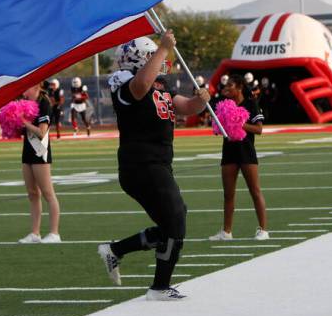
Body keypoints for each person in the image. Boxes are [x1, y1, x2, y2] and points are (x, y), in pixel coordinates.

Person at [97, 31, 210, 301]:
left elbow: (182, 106)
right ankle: (159, 287)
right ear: (136, 59)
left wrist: (200, 101)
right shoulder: (124, 82)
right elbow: (138, 88)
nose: (157, 61)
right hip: (140, 163)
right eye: (149, 56)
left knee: (173, 220)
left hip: (158, 162)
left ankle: (115, 250)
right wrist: (163, 48)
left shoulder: (159, 84)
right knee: (175, 220)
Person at [208, 75, 269, 242]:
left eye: (230, 85)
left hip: (246, 152)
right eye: (225, 86)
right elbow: (216, 128)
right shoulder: (224, 105)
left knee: (255, 191)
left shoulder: (251, 103)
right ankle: (226, 232)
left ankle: (263, 230)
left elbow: (259, 129)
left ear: (240, 87)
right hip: (228, 152)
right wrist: (218, 125)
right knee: (228, 194)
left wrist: (239, 124)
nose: (226, 88)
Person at [17, 83, 61, 243]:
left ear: (35, 86)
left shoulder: (44, 103)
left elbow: (42, 133)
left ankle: (54, 233)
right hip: (27, 150)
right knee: (32, 194)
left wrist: (24, 122)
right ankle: (35, 233)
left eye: (26, 87)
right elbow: (23, 130)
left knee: (48, 193)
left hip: (40, 151)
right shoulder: (25, 103)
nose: (23, 90)